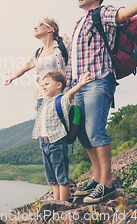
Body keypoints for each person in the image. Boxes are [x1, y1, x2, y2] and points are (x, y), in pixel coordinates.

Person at [67, 0, 137, 204]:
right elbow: (72, 60)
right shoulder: (78, 23)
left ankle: (107, 184)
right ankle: (96, 180)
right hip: (80, 86)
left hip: (98, 80)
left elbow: (124, 13)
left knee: (95, 131)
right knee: (83, 134)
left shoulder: (102, 12)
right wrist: (68, 89)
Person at [33, 71, 91, 201]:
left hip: (57, 142)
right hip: (44, 142)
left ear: (59, 85)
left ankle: (63, 204)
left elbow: (71, 93)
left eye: (47, 84)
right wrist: (36, 82)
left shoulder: (62, 100)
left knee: (61, 177)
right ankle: (56, 201)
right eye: (43, 84)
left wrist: (80, 84)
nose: (44, 87)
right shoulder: (46, 100)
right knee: (52, 177)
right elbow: (40, 89)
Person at [4, 18, 70, 111]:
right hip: (41, 97)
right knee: (42, 125)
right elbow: (26, 66)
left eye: (40, 24)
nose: (35, 27)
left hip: (59, 97)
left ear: (50, 29)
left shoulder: (62, 46)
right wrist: (13, 76)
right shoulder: (38, 53)